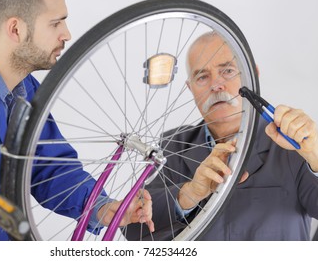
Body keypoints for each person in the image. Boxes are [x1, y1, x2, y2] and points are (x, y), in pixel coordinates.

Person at [0, 0, 153, 241]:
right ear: (15, 29)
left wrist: (103, 208)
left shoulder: (27, 90)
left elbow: (50, 169)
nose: (67, 34)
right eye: (55, 23)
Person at [126, 32, 318, 240]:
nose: (216, 85)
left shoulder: (292, 145)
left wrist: (316, 156)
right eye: (202, 77)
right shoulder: (173, 145)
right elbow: (133, 230)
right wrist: (188, 195)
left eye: (227, 70)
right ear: (190, 89)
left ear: (252, 76)